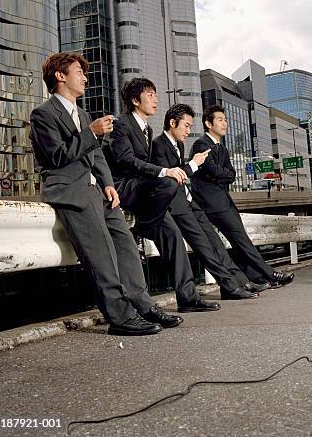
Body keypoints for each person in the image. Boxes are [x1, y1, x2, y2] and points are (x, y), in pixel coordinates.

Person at [29, 53, 181, 335]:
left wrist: (108, 183)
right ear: (60, 76)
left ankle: (143, 305)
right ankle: (120, 317)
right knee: (101, 255)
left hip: (98, 190)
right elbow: (56, 156)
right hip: (71, 191)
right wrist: (91, 132)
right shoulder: (43, 114)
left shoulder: (83, 114)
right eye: (78, 72)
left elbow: (97, 155)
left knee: (125, 245)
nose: (85, 78)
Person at [106, 78, 220, 314]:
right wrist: (163, 171)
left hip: (145, 192)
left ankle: (188, 298)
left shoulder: (146, 128)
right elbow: (125, 160)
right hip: (124, 186)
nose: (156, 99)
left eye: (155, 94)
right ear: (135, 100)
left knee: (174, 236)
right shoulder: (121, 125)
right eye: (150, 95)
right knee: (169, 183)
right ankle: (146, 227)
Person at [151, 103, 265, 299]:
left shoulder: (178, 144)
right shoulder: (158, 145)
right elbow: (170, 178)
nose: (189, 130)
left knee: (216, 244)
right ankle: (229, 287)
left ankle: (240, 282)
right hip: (175, 205)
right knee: (205, 248)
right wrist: (193, 164)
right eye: (186, 126)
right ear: (172, 123)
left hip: (189, 201)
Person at [189, 106, 294, 287]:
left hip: (223, 200)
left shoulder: (222, 148)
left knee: (238, 240)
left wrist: (218, 174)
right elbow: (211, 169)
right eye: (220, 119)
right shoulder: (201, 144)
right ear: (208, 123)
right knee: (241, 239)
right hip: (211, 203)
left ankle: (255, 277)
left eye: (225, 119)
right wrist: (219, 174)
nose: (225, 123)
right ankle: (270, 274)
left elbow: (231, 174)